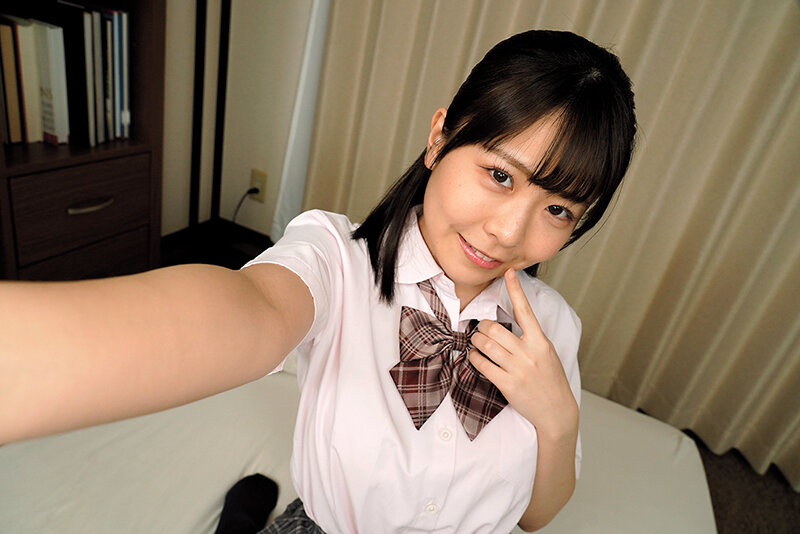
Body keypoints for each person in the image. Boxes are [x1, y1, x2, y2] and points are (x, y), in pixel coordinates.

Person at [0, 29, 636, 533]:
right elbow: (250, 312)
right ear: (439, 139)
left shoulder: (553, 329)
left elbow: (535, 517)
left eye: (558, 210)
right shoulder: (337, 259)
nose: (508, 231)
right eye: (499, 175)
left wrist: (557, 418)